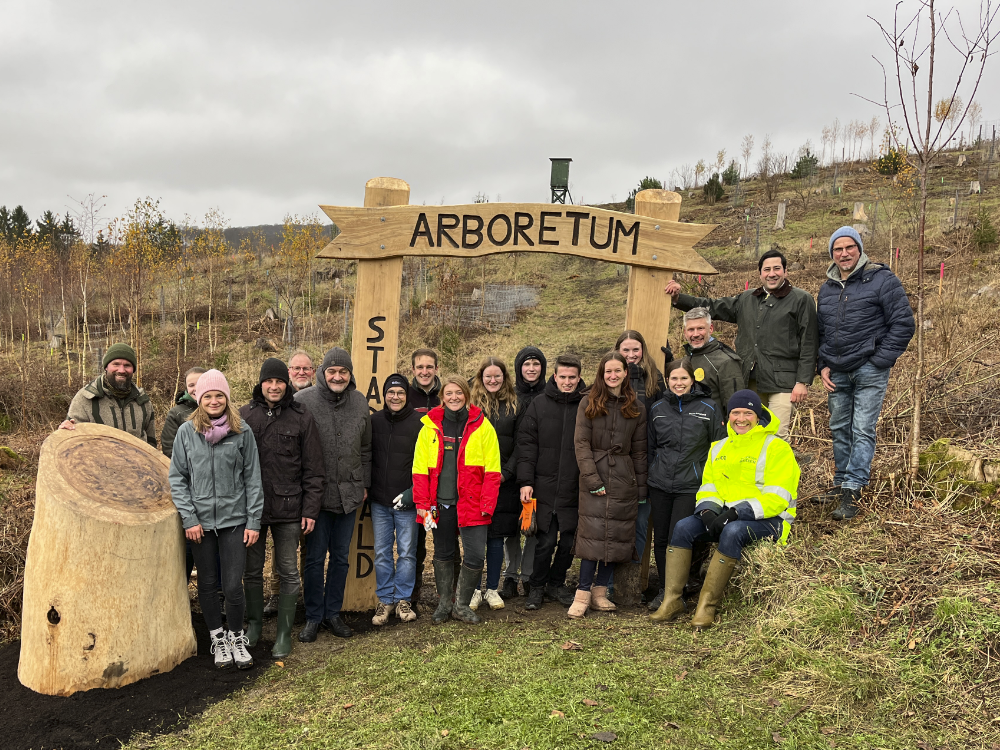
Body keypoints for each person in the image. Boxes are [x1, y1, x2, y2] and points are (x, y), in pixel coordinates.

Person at [651, 390, 800, 629]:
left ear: (758, 415)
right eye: (735, 412)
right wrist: (708, 511)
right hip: (728, 516)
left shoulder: (777, 448)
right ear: (728, 416)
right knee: (683, 527)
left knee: (733, 532)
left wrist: (735, 513)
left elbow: (777, 498)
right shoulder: (719, 447)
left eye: (748, 413)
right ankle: (672, 600)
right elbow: (709, 487)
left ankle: (706, 606)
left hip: (770, 521)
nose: (741, 418)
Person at [665, 249, 819, 440]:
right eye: (767, 269)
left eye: (777, 268)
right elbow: (712, 306)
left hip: (783, 382)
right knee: (751, 432)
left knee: (777, 436)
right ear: (760, 273)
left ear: (785, 271)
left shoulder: (801, 299)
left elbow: (809, 341)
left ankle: (779, 470)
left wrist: (802, 381)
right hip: (750, 379)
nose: (772, 273)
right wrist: (679, 299)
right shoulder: (747, 298)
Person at [167, 369, 263, 669]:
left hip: (235, 521)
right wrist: (189, 518)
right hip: (200, 525)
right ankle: (218, 638)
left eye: (218, 395)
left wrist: (253, 521)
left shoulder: (242, 432)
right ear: (198, 399)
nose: (213, 400)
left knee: (233, 585)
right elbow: (178, 479)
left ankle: (236, 636)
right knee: (207, 584)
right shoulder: (186, 432)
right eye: (207, 396)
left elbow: (253, 479)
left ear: (227, 398)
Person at [817, 227, 915, 520]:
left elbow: (903, 324)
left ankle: (853, 489)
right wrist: (821, 365)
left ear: (859, 249)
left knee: (862, 428)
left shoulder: (882, 280)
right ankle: (840, 483)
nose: (844, 253)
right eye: (838, 249)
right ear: (832, 253)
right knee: (839, 430)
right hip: (837, 370)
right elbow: (821, 331)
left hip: (868, 369)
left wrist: (879, 361)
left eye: (849, 247)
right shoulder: (827, 287)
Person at [239, 359, 324, 658]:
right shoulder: (244, 415)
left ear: (286, 384)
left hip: (290, 507)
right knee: (252, 571)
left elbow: (314, 469)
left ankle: (284, 634)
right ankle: (254, 627)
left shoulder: (301, 416)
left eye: (279, 382)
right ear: (260, 384)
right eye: (268, 382)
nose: (274, 387)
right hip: (253, 510)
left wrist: (310, 510)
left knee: (288, 570)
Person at [294, 347, 372, 641]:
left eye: (343, 372)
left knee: (340, 558)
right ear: (322, 373)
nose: (337, 376)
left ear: (350, 374)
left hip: (349, 495)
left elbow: (366, 448)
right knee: (314, 559)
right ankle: (313, 616)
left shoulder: (359, 401)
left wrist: (364, 484)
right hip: (316, 497)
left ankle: (332, 613)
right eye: (332, 371)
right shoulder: (303, 401)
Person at [412, 376, 501, 625]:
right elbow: (419, 470)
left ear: (467, 395)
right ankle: (444, 604)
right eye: (449, 393)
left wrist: (487, 506)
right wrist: (422, 505)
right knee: (443, 554)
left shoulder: (483, 427)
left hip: (473, 505)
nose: (454, 397)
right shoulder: (429, 427)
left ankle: (461, 606)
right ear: (442, 397)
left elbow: (493, 473)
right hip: (439, 504)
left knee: (474, 556)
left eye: (459, 393)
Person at [569, 351, 647, 619]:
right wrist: (592, 479)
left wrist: (641, 488)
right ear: (601, 375)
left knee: (616, 536)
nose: (613, 376)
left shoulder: (636, 408)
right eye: (608, 372)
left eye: (618, 371)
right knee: (592, 534)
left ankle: (600, 593)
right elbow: (581, 444)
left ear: (626, 372)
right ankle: (582, 593)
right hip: (596, 473)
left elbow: (639, 451)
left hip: (624, 477)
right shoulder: (588, 403)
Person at [645, 360, 724, 611]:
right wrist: (652, 470)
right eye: (674, 379)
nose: (679, 383)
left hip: (690, 485)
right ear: (667, 381)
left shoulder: (709, 408)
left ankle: (680, 589)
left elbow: (718, 448)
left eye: (683, 379)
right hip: (659, 483)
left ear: (692, 380)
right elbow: (650, 446)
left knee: (679, 537)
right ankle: (665, 591)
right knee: (661, 538)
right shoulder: (657, 408)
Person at [518, 353, 586, 610]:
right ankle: (536, 586)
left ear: (579, 378)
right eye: (563, 377)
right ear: (554, 376)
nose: (567, 382)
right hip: (544, 487)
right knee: (544, 542)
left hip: (574, 487)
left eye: (572, 377)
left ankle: (557, 583)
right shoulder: (538, 404)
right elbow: (526, 445)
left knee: (569, 542)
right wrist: (525, 481)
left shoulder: (586, 405)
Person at [368, 374, 422, 626]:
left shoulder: (418, 423)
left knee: (407, 553)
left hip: (407, 503)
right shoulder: (374, 421)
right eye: (391, 392)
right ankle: (385, 600)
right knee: (381, 553)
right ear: (384, 395)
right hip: (379, 501)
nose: (396, 397)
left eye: (400, 392)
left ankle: (403, 599)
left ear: (407, 395)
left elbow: (425, 464)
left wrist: (414, 492)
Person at [615, 330, 665, 596]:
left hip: (646, 463)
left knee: (641, 524)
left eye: (636, 350)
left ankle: (631, 585)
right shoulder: (610, 378)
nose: (632, 356)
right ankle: (609, 583)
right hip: (617, 465)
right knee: (614, 524)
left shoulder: (655, 381)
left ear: (643, 351)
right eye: (626, 350)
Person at [469, 357, 520, 611]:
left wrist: (506, 472)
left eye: (497, 376)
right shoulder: (471, 404)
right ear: (481, 377)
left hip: (503, 482)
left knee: (496, 538)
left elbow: (521, 442)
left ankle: (492, 588)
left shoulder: (514, 404)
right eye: (488, 376)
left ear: (504, 377)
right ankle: (475, 589)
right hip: (475, 482)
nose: (492, 380)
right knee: (476, 538)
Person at [502, 346, 547, 597]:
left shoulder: (547, 395)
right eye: (527, 364)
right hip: (511, 471)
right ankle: (510, 576)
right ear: (519, 368)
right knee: (510, 526)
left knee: (532, 526)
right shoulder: (510, 396)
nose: (531, 369)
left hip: (538, 472)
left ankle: (528, 575)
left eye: (536, 364)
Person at [59, 343, 156, 447]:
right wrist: (66, 431)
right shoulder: (85, 399)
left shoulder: (142, 400)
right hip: (99, 462)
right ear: (106, 367)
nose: (122, 370)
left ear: (133, 370)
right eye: (116, 364)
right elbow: (72, 443)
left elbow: (151, 444)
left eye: (127, 365)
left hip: (137, 462)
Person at [678, 308, 744, 420]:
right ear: (685, 332)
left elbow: (736, 408)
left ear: (711, 329)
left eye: (700, 328)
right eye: (691, 329)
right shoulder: (685, 360)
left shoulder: (726, 362)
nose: (695, 334)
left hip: (716, 432)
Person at [161, 367, 206, 459]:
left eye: (200, 383)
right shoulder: (176, 413)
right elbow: (169, 449)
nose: (196, 388)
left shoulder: (220, 410)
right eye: (191, 385)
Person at [408, 348, 441, 413]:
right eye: (420, 367)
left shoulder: (446, 396)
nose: (424, 372)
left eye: (429, 367)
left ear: (436, 369)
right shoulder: (405, 397)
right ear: (413, 369)